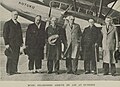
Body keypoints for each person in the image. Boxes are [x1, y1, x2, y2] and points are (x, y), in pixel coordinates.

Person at [3, 11, 23, 75]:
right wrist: (6, 44)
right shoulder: (7, 23)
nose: (16, 16)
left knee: (16, 57)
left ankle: (14, 70)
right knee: (10, 57)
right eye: (14, 15)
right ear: (11, 15)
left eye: (17, 15)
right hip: (10, 44)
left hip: (17, 44)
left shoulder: (18, 24)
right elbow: (5, 34)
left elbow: (20, 34)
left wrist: (21, 42)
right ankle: (9, 71)